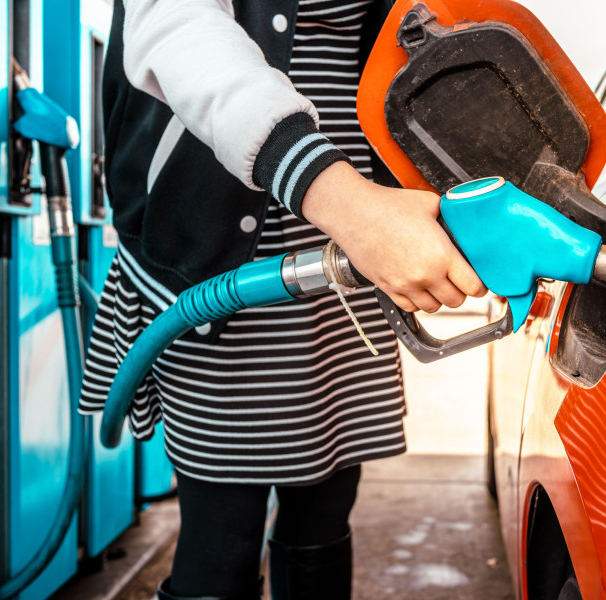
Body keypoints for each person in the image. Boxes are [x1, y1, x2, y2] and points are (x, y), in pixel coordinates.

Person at [79, 0, 486, 598]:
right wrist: (346, 203)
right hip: (219, 271)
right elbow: (180, 29)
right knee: (222, 535)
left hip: (356, 267)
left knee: (324, 514)